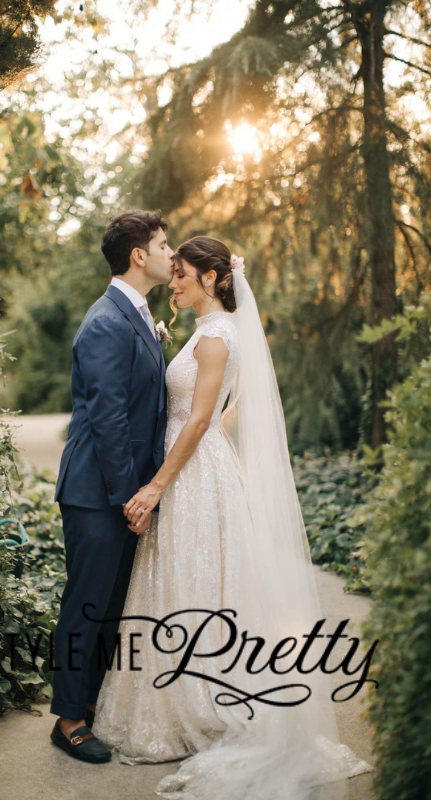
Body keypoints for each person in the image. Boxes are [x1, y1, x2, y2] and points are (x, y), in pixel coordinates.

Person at [92, 236, 374, 797]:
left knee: (196, 580)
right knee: (183, 577)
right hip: (196, 464)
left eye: (182, 276)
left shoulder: (217, 335)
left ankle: (203, 702)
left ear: (214, 279)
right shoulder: (208, 331)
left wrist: (154, 485)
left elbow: (199, 421)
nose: (173, 284)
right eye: (172, 274)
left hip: (191, 469)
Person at [49, 209, 174, 764]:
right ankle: (69, 719)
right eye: (164, 245)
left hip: (121, 491)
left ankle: (90, 705)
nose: (172, 254)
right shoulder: (105, 321)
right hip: (96, 492)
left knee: (109, 608)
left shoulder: (139, 315)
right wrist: (132, 495)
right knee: (87, 605)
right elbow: (109, 420)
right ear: (139, 255)